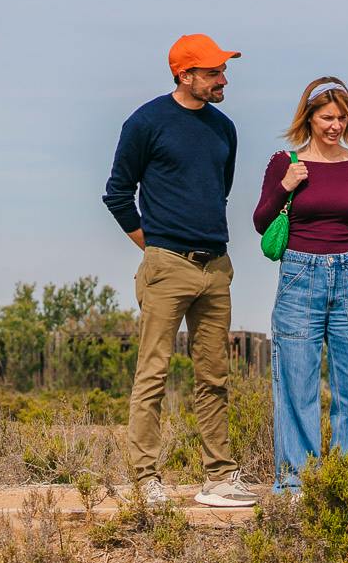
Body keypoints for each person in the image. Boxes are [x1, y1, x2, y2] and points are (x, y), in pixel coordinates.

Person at [102, 32, 257, 509]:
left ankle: (220, 478)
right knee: (153, 373)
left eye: (223, 71)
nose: (222, 79)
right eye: (213, 72)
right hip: (167, 266)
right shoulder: (146, 122)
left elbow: (219, 191)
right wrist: (156, 248)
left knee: (215, 376)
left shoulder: (224, 128)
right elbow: (117, 193)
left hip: (217, 266)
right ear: (184, 75)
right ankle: (145, 479)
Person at [254, 76, 348, 491]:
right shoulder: (284, 162)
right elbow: (260, 222)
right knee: (297, 387)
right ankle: (296, 484)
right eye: (327, 117)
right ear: (308, 118)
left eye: (341, 118)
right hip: (299, 276)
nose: (335, 126)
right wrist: (286, 186)